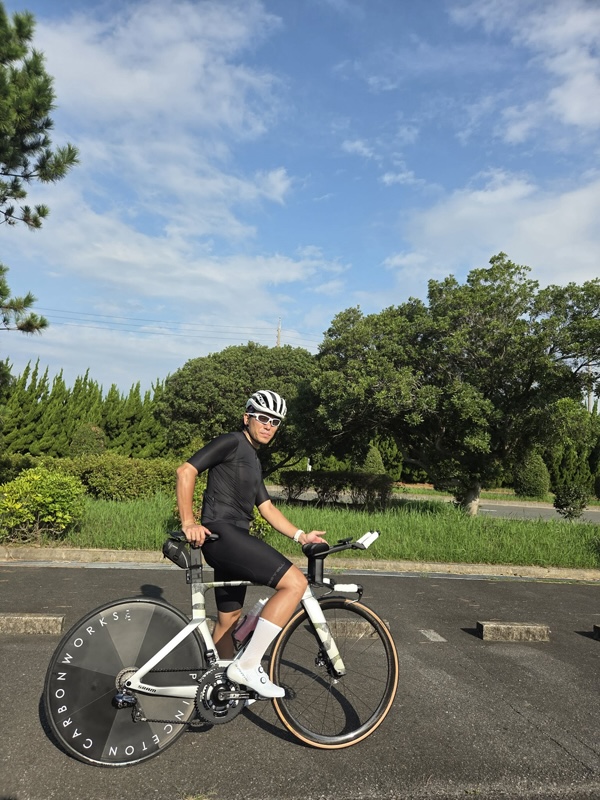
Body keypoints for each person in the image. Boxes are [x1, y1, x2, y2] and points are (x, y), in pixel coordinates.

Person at [176, 389, 326, 699]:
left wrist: (301, 536)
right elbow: (186, 470)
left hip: (231, 541)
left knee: (228, 622)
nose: (269, 425)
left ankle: (215, 689)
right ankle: (248, 664)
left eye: (275, 421)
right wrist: (189, 521)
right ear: (247, 418)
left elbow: (267, 508)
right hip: (224, 534)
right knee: (295, 583)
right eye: (263, 418)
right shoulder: (232, 442)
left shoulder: (253, 461)